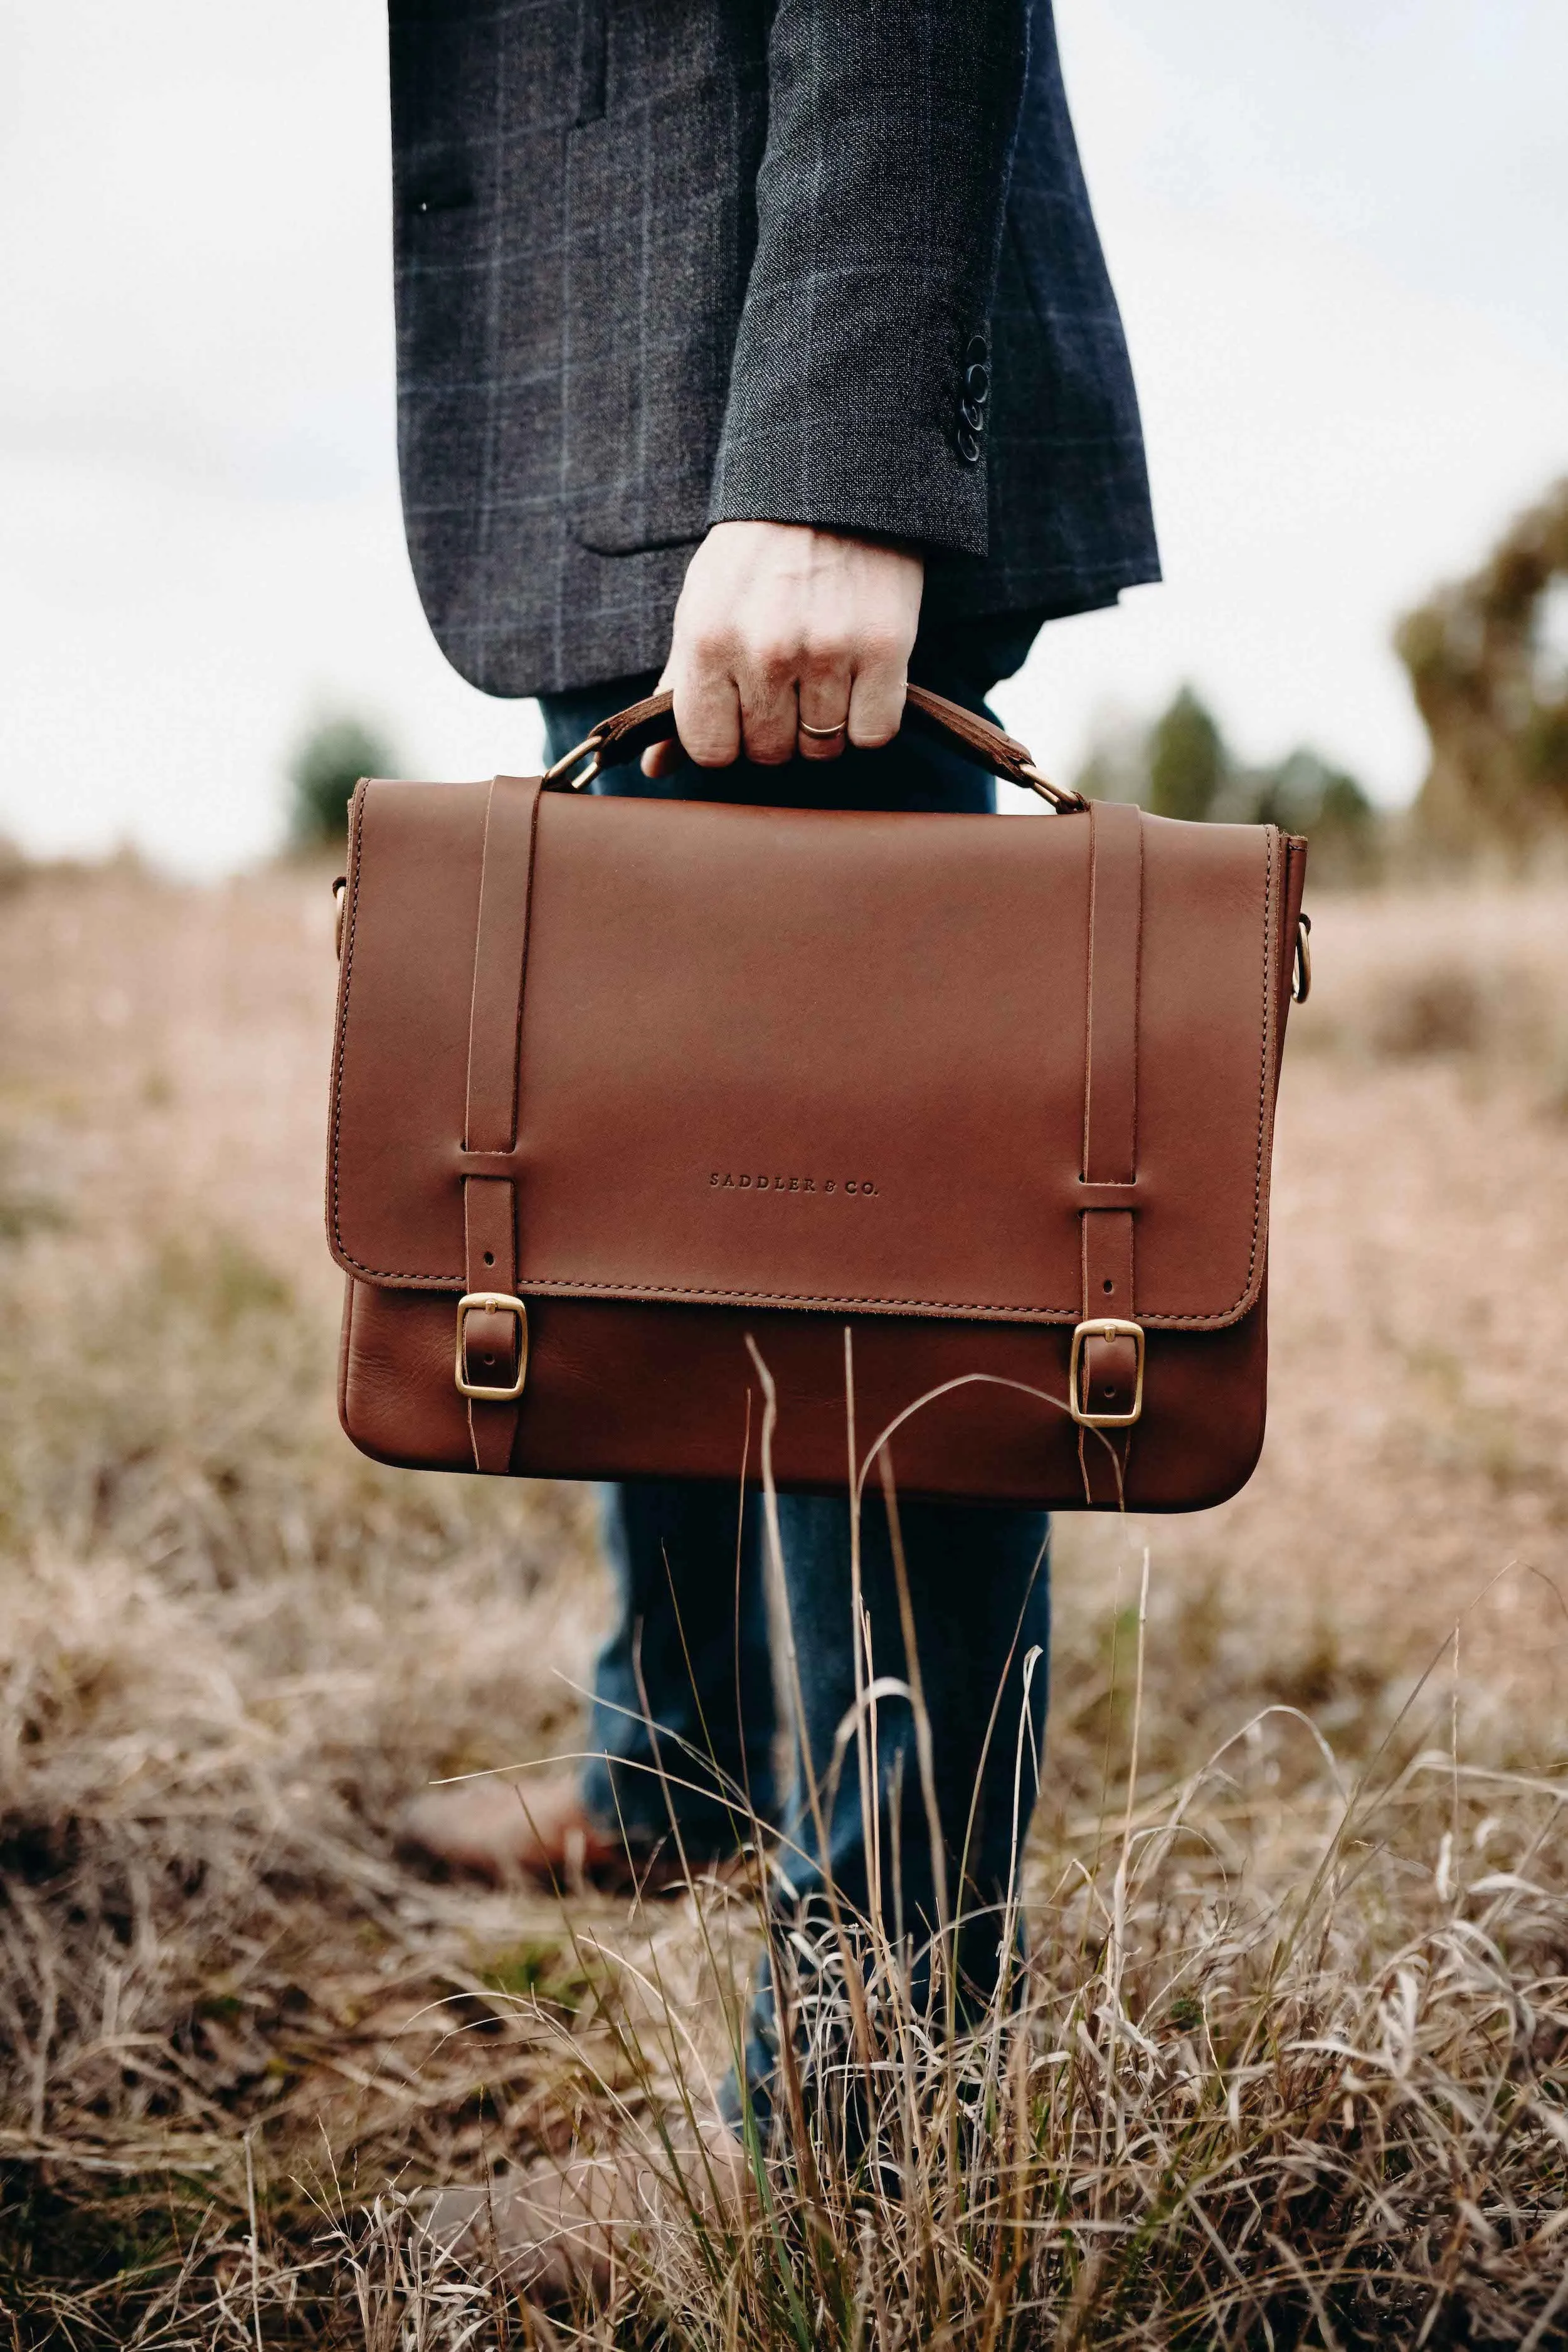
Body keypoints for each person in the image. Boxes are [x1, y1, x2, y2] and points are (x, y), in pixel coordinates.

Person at [391, 0, 1157, 2269]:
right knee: (651, 1126)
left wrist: (832, 434)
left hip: (781, 385)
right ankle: (681, 1755)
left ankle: (853, 2124)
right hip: (615, 390)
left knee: (861, 1201)